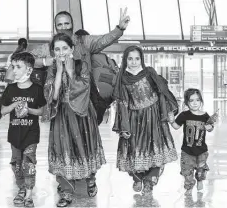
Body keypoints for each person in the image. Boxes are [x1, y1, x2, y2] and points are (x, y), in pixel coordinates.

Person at [44, 33, 106, 207]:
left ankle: (90, 180)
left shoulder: (82, 65)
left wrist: (70, 71)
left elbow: (84, 89)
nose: (61, 52)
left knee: (84, 148)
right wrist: (59, 73)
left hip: (82, 115)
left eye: (64, 48)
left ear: (71, 49)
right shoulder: (52, 69)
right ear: (53, 52)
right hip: (61, 116)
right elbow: (52, 95)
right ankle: (66, 190)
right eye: (57, 49)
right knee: (63, 150)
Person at [112, 45, 179, 196]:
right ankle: (137, 178)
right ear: (125, 60)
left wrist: (167, 111)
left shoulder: (149, 72)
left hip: (154, 117)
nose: (134, 62)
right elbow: (122, 102)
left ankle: (150, 180)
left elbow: (162, 91)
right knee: (134, 148)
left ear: (142, 59)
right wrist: (124, 126)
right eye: (130, 59)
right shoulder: (122, 78)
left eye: (137, 58)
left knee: (155, 148)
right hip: (134, 119)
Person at [0, 52, 46, 207]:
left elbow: (42, 111)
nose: (14, 70)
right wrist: (14, 105)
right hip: (14, 134)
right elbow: (2, 111)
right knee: (16, 164)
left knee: (29, 163)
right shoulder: (10, 89)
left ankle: (28, 193)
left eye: (18, 67)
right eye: (13, 67)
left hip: (31, 134)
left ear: (29, 69)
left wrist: (28, 110)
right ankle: (21, 187)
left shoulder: (37, 90)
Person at [30, 9, 130, 69]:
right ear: (55, 27)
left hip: (82, 98)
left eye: (66, 23)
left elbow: (103, 40)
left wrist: (119, 29)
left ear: (72, 24)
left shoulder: (84, 42)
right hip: (56, 98)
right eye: (60, 25)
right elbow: (25, 59)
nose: (64, 27)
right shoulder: (48, 47)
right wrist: (43, 62)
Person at [168, 88, 216, 196]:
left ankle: (199, 180)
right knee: (187, 171)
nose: (195, 103)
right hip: (187, 150)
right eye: (191, 100)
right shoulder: (184, 115)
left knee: (201, 169)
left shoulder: (205, 115)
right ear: (187, 103)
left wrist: (209, 127)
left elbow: (210, 127)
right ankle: (189, 187)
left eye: (197, 100)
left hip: (201, 151)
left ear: (201, 101)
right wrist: (171, 120)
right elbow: (176, 126)